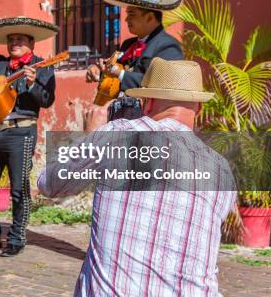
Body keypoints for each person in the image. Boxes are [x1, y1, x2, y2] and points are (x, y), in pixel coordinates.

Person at [39, 58, 236, 296]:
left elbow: (49, 184)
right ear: (199, 108)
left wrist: (91, 134)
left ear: (147, 102)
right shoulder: (222, 170)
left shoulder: (117, 135)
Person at [0, 17, 57, 257]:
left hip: (22, 132)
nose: (14, 43)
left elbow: (47, 100)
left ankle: (16, 237)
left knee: (19, 188)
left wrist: (34, 83)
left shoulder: (43, 65)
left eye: (20, 39)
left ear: (31, 43)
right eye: (11, 40)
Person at [86, 0, 184, 91]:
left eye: (131, 14)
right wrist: (99, 71)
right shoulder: (128, 45)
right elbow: (114, 81)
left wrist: (119, 73)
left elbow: (160, 85)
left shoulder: (168, 46)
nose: (126, 19)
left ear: (150, 18)